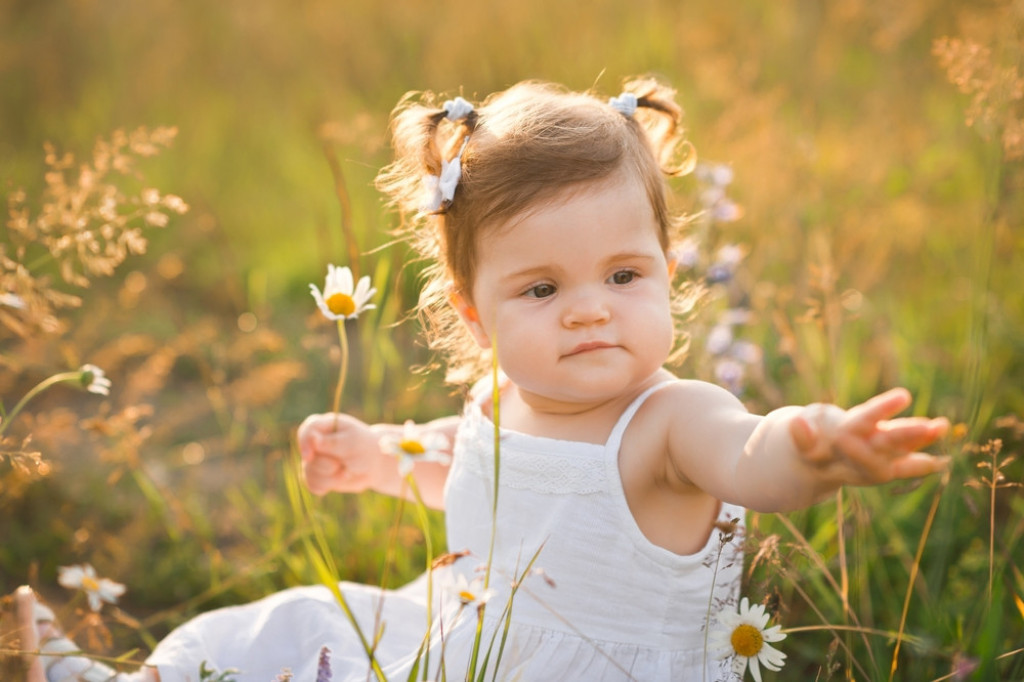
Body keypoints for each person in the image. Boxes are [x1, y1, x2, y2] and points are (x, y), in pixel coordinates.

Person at [15, 78, 949, 681]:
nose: (590, 310)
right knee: (290, 626)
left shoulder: (672, 421)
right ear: (473, 314)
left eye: (624, 275)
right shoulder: (500, 405)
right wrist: (382, 459)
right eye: (543, 288)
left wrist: (814, 447)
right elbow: (478, 482)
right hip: (464, 644)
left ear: (669, 270)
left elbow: (749, 456)